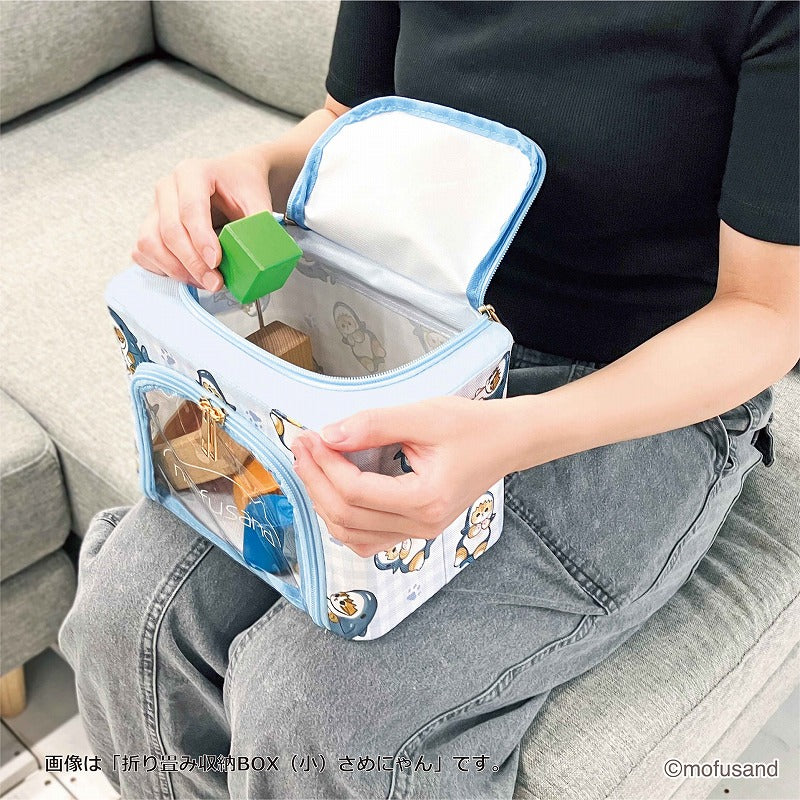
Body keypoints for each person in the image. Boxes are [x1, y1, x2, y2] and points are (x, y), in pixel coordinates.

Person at [59, 3, 798, 798]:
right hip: (419, 328)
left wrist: (510, 434)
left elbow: (766, 313)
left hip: (637, 386)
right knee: (125, 617)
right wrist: (252, 168)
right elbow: (347, 120)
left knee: (315, 711)